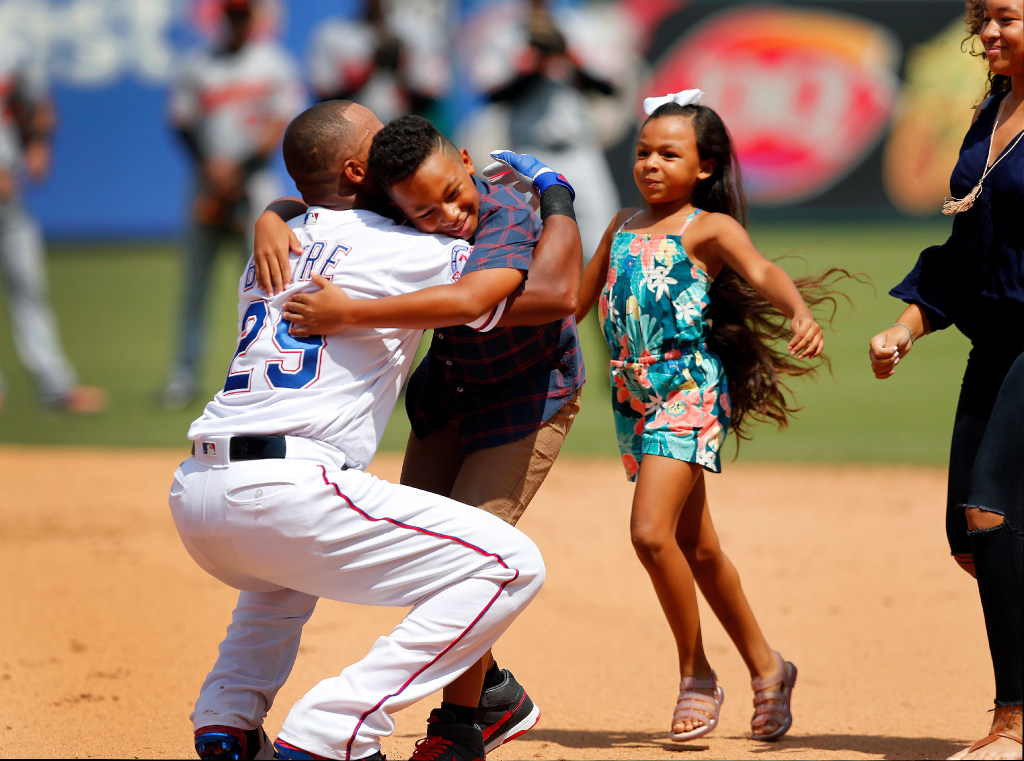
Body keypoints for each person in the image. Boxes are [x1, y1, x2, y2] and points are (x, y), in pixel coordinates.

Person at [169, 99, 551, 761]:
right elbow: (542, 292)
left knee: (284, 575)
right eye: (381, 142)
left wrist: (272, 211)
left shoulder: (275, 243)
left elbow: (300, 212)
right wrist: (554, 196)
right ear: (355, 168)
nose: (398, 144)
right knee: (514, 564)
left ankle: (228, 716)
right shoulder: (414, 248)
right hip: (290, 485)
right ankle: (336, 720)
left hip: (199, 491)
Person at [574, 90, 849, 744]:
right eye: (643, 152)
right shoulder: (618, 227)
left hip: (689, 389)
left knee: (648, 533)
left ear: (704, 166)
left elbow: (765, 270)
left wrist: (799, 313)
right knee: (695, 545)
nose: (651, 164)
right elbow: (573, 305)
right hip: (634, 399)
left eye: (669, 153)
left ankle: (696, 672)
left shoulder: (708, 228)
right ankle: (769, 665)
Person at [868, 1, 1023, 758]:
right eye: (985, 18)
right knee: (970, 535)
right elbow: (968, 252)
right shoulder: (993, 108)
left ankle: (1013, 721)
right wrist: (907, 325)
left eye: (1009, 17)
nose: (991, 32)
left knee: (992, 509)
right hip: (996, 340)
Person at [160, 0, 305, 410]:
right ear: (221, 17)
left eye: (244, 13)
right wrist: (212, 172)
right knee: (195, 286)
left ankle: (263, 371)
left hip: (256, 185)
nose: (237, 20)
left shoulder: (274, 63)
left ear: (254, 18)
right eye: (232, 13)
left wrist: (235, 172)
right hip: (205, 182)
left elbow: (282, 125)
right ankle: (182, 377)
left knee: (268, 282)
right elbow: (181, 122)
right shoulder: (197, 63)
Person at [0, 46, 106, 414]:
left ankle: (54, 386)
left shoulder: (7, 51)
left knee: (29, 287)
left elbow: (37, 101)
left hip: (9, 201)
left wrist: (37, 144)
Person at [482, 0, 621, 262]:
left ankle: (605, 299)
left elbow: (609, 86)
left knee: (604, 234)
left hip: (579, 150)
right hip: (530, 153)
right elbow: (492, 94)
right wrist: (535, 64)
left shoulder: (578, 25)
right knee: (532, 238)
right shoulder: (504, 33)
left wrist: (567, 54)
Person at [306, 0, 451, 129]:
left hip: (408, 129)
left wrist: (402, 64)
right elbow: (323, 96)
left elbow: (432, 95)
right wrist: (371, 64)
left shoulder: (420, 30)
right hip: (353, 131)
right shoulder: (333, 34)